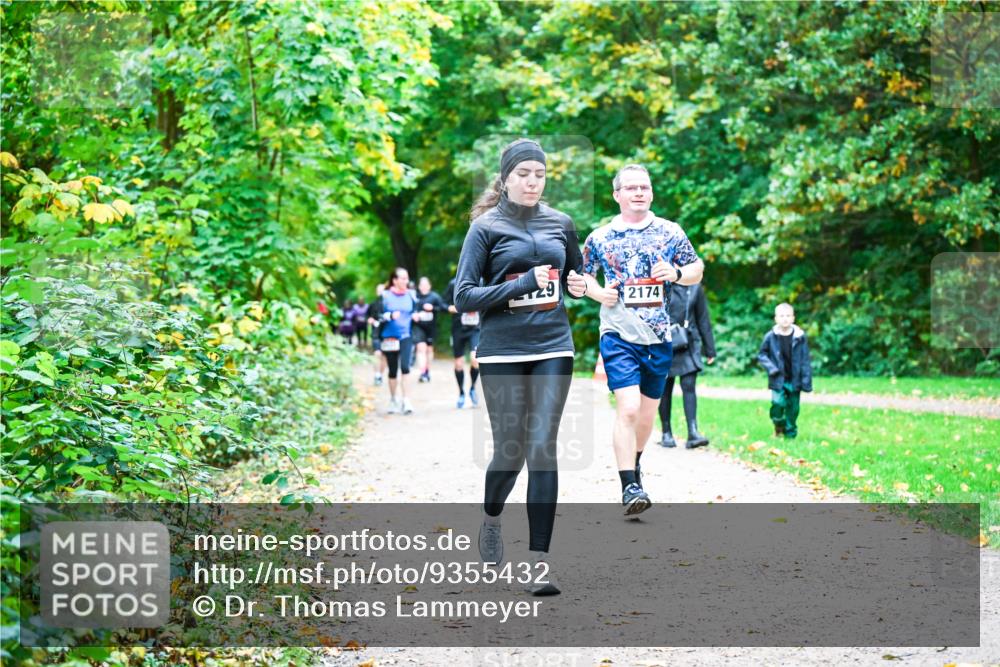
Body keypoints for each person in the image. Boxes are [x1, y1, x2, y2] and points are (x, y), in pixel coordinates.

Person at [454, 138, 587, 595]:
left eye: (540, 175)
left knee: (542, 447)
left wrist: (579, 284)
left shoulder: (562, 223)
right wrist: (521, 284)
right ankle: (491, 519)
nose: (533, 182)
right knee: (510, 452)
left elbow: (575, 280)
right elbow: (464, 296)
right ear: (506, 177)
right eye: (524, 174)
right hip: (502, 350)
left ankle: (539, 563)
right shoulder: (485, 228)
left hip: (553, 344)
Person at [581, 164, 704, 516]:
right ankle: (628, 486)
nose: (639, 192)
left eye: (644, 187)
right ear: (617, 194)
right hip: (618, 334)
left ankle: (634, 467)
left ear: (650, 192)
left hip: (659, 336)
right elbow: (583, 277)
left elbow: (697, 268)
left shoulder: (669, 231)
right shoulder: (600, 237)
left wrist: (678, 273)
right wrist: (599, 293)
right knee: (629, 408)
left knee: (647, 416)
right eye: (631, 187)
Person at [658, 282, 717, 448]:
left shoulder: (694, 287)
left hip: (689, 342)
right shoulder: (659, 283)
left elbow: (703, 318)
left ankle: (693, 432)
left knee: (689, 385)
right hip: (664, 342)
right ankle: (666, 433)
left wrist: (710, 349)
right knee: (665, 388)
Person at [757, 303, 813, 438]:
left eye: (788, 316)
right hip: (778, 378)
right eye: (781, 316)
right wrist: (771, 368)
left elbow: (805, 359)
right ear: (776, 319)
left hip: (795, 379)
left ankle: (791, 434)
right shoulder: (770, 336)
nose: (785, 319)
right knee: (777, 403)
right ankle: (779, 424)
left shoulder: (800, 337)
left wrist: (806, 380)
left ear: (793, 318)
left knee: (793, 409)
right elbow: (762, 355)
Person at [378, 268, 417, 414]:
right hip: (389, 337)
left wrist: (416, 316)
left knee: (406, 368)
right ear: (394, 280)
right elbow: (377, 315)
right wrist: (389, 316)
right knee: (393, 370)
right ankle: (393, 399)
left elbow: (414, 310)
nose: (405, 281)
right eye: (402, 278)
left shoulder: (411, 295)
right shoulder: (385, 296)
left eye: (407, 278)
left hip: (406, 335)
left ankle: (406, 400)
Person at [443, 276, 482, 408]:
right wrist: (452, 308)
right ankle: (461, 393)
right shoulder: (453, 283)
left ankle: (472, 388)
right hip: (458, 329)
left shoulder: (481, 281)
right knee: (459, 363)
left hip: (475, 329)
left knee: (475, 359)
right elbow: (443, 304)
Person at [412, 277, 447, 382]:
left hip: (431, 328)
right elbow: (409, 309)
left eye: (425, 285)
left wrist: (433, 308)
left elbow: (443, 308)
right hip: (418, 326)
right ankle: (422, 372)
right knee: (420, 348)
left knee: (429, 350)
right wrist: (414, 315)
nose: (423, 287)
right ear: (419, 286)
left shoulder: (435, 297)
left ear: (429, 286)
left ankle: (427, 370)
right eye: (421, 285)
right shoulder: (415, 297)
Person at [369, 284, 387, 385]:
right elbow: (368, 316)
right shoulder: (373, 304)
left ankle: (380, 374)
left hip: (387, 333)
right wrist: (371, 320)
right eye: (378, 290)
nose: (380, 292)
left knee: (384, 356)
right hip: (376, 332)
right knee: (377, 353)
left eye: (382, 290)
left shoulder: (390, 304)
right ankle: (377, 375)